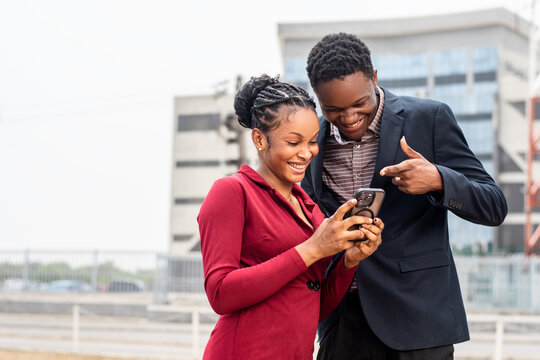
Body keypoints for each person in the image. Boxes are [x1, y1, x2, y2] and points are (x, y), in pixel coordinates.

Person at [301, 33, 508, 360]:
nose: (349, 117)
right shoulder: (311, 143)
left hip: (418, 321)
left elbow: (494, 206)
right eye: (334, 109)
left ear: (374, 77)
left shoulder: (429, 119)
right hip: (342, 324)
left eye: (359, 104)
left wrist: (439, 180)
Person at [197, 74, 385, 360]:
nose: (306, 153)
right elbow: (220, 293)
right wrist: (311, 250)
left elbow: (314, 304)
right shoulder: (232, 192)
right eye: (294, 142)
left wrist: (349, 262)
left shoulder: (310, 208)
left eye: (311, 141)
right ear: (260, 139)